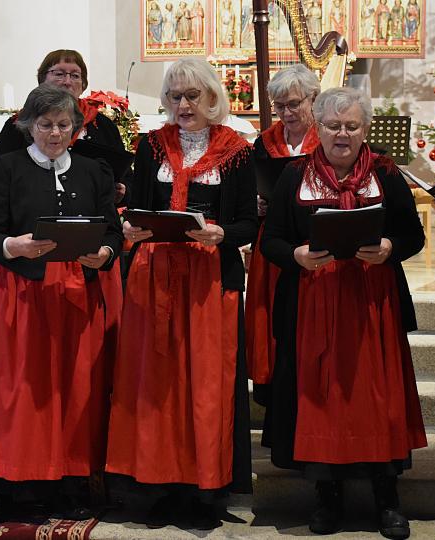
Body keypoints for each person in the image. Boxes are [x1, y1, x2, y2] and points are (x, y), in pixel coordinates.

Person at [260, 87, 426, 539]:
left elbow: (412, 235)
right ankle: (327, 496)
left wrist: (389, 247)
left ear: (365, 129)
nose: (342, 134)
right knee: (323, 397)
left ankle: (387, 498)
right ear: (319, 127)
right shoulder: (295, 175)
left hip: (374, 305)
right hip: (314, 303)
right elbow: (271, 239)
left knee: (379, 398)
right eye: (333, 126)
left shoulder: (386, 173)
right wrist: (295, 255)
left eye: (352, 126)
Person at [104, 58, 256, 530]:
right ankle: (158, 486)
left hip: (209, 280)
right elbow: (137, 208)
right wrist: (130, 227)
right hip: (154, 275)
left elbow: (248, 222)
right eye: (175, 97)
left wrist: (221, 234)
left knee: (207, 386)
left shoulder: (237, 151)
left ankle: (204, 491)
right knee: (157, 383)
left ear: (212, 97)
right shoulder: (151, 145)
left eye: (192, 96)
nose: (184, 105)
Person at [0, 84, 123, 524]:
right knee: (21, 392)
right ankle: (11, 487)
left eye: (64, 125)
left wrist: (105, 252)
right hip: (21, 294)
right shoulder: (5, 168)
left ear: (76, 128)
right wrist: (12, 245)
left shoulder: (93, 172)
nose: (55, 133)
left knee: (74, 390)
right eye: (46, 124)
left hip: (76, 295)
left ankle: (67, 485)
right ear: (28, 126)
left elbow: (111, 230)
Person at [247, 64, 320, 389]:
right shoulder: (264, 143)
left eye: (294, 104)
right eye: (279, 106)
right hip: (274, 246)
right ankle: (273, 387)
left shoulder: (328, 138)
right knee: (272, 317)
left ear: (313, 99)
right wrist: (256, 204)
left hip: (313, 240)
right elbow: (252, 187)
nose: (286, 113)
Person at [0, 49, 131, 206]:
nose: (67, 81)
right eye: (59, 74)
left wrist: (122, 191)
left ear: (83, 84)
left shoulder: (102, 125)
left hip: (91, 209)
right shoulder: (20, 123)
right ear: (42, 79)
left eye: (75, 76)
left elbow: (127, 178)